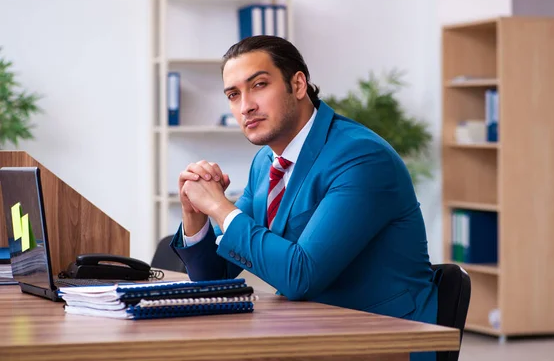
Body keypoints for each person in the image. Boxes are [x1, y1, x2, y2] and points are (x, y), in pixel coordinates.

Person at [170, 35, 439, 361]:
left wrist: (218, 206)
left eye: (259, 85)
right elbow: (212, 278)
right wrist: (195, 214)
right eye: (233, 94)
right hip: (310, 334)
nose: (245, 106)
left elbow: (301, 276)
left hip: (382, 341)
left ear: (298, 85)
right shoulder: (267, 162)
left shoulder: (361, 157)